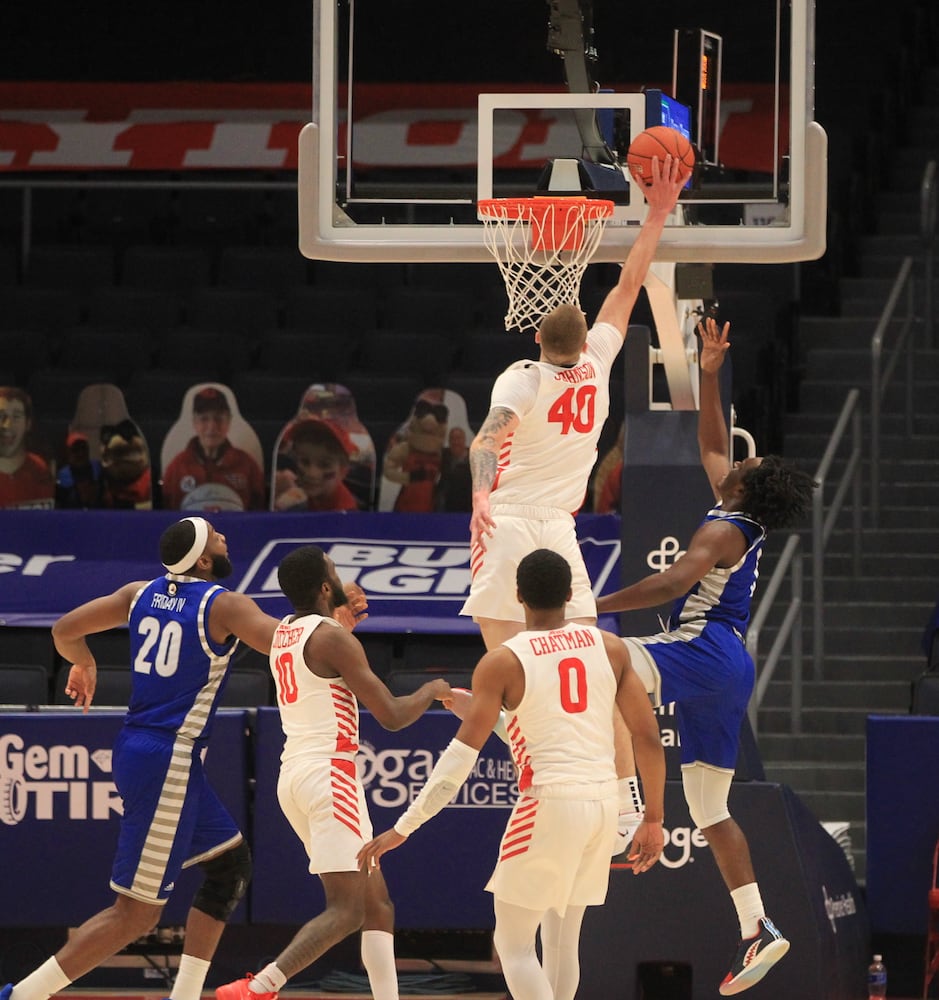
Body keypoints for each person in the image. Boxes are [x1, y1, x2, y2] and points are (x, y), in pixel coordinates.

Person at [460, 154, 689, 842]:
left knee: (501, 671)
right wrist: (655, 210)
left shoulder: (521, 378)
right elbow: (628, 281)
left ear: (536, 336)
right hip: (558, 530)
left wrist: (477, 497)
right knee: (593, 668)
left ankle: (545, 779)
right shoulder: (598, 360)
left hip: (507, 524)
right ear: (583, 334)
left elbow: (482, 442)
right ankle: (622, 807)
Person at [596, 317, 816, 996]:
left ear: (748, 487)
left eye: (748, 466)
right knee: (713, 813)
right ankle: (757, 927)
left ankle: (627, 810)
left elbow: (668, 584)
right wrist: (712, 369)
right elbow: (712, 442)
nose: (739, 460)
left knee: (601, 655)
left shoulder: (722, 527)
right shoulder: (737, 507)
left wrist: (594, 605)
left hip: (702, 647)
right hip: (728, 667)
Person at [357, 548, 667, 1000]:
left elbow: (459, 759)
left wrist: (405, 827)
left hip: (548, 804)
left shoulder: (503, 661)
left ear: (518, 596)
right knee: (562, 943)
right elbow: (647, 739)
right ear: (570, 595)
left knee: (514, 945)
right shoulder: (611, 648)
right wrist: (653, 818)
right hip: (602, 804)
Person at [0, 516, 282, 1000]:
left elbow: (65, 629)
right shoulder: (225, 606)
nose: (225, 537)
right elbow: (287, 643)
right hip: (169, 759)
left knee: (229, 867)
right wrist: (331, 621)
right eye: (217, 534)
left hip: (144, 751)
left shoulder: (139, 593)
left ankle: (186, 994)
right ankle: (22, 996)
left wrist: (83, 661)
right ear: (204, 558)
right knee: (135, 913)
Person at [215, 545, 451, 1000]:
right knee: (347, 910)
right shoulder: (334, 639)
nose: (343, 578)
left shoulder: (284, 632)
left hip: (296, 776)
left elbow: (317, 655)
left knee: (376, 904)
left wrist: (339, 622)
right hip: (330, 775)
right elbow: (393, 717)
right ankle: (260, 987)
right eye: (336, 573)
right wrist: (432, 689)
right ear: (326, 587)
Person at [162, 387, 265, 511]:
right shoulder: (177, 467)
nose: (212, 426)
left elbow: (260, 512)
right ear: (194, 422)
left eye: (219, 418)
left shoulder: (247, 465)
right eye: (204, 419)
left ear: (228, 421)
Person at [272, 417, 360, 512]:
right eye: (305, 461)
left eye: (325, 465)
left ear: (343, 471)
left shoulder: (344, 514)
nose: (312, 473)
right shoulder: (315, 495)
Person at [0, 385, 55, 509]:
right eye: (0, 416)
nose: (7, 425)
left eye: (16, 417)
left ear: (28, 424)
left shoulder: (39, 470)